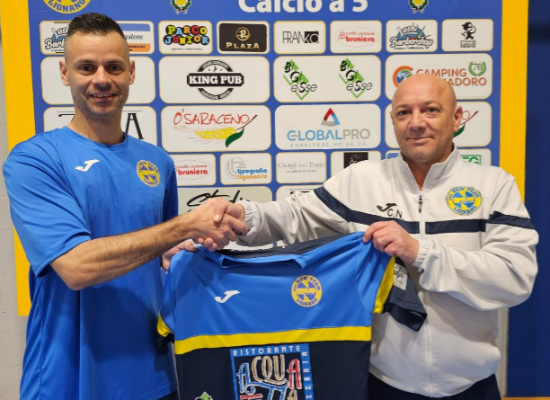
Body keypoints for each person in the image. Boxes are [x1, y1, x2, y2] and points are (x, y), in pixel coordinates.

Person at [194, 74, 538, 399]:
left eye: (431, 110)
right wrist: (244, 216)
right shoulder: (360, 180)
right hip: (381, 383)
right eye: (404, 112)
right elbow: (293, 216)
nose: (416, 122)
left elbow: (514, 277)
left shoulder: (493, 185)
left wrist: (420, 252)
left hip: (472, 386)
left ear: (457, 117)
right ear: (393, 120)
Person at [3, 13, 247, 400]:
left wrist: (195, 244)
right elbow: (76, 267)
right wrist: (185, 225)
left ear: (131, 72)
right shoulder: (35, 159)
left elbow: (161, 250)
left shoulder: (157, 162)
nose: (102, 79)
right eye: (87, 67)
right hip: (65, 382)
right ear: (65, 73)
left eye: (114, 67)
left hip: (153, 377)